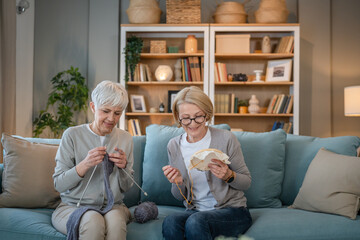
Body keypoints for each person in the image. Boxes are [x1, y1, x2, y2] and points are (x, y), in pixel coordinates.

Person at [162, 86, 252, 240]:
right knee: (170, 222)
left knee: (196, 222)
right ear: (178, 117)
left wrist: (229, 175)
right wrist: (177, 182)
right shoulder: (173, 145)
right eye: (186, 118)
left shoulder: (226, 139)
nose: (192, 123)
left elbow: (246, 182)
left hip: (233, 212)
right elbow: (179, 196)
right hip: (195, 212)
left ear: (207, 114)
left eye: (198, 116)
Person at [52, 80, 134, 240]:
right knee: (93, 220)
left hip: (114, 206)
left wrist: (123, 168)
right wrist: (84, 165)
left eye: (117, 113)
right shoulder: (72, 135)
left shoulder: (126, 139)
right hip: (72, 207)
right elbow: (59, 184)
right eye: (106, 111)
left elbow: (126, 187)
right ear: (93, 107)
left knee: (116, 223)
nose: (111, 118)